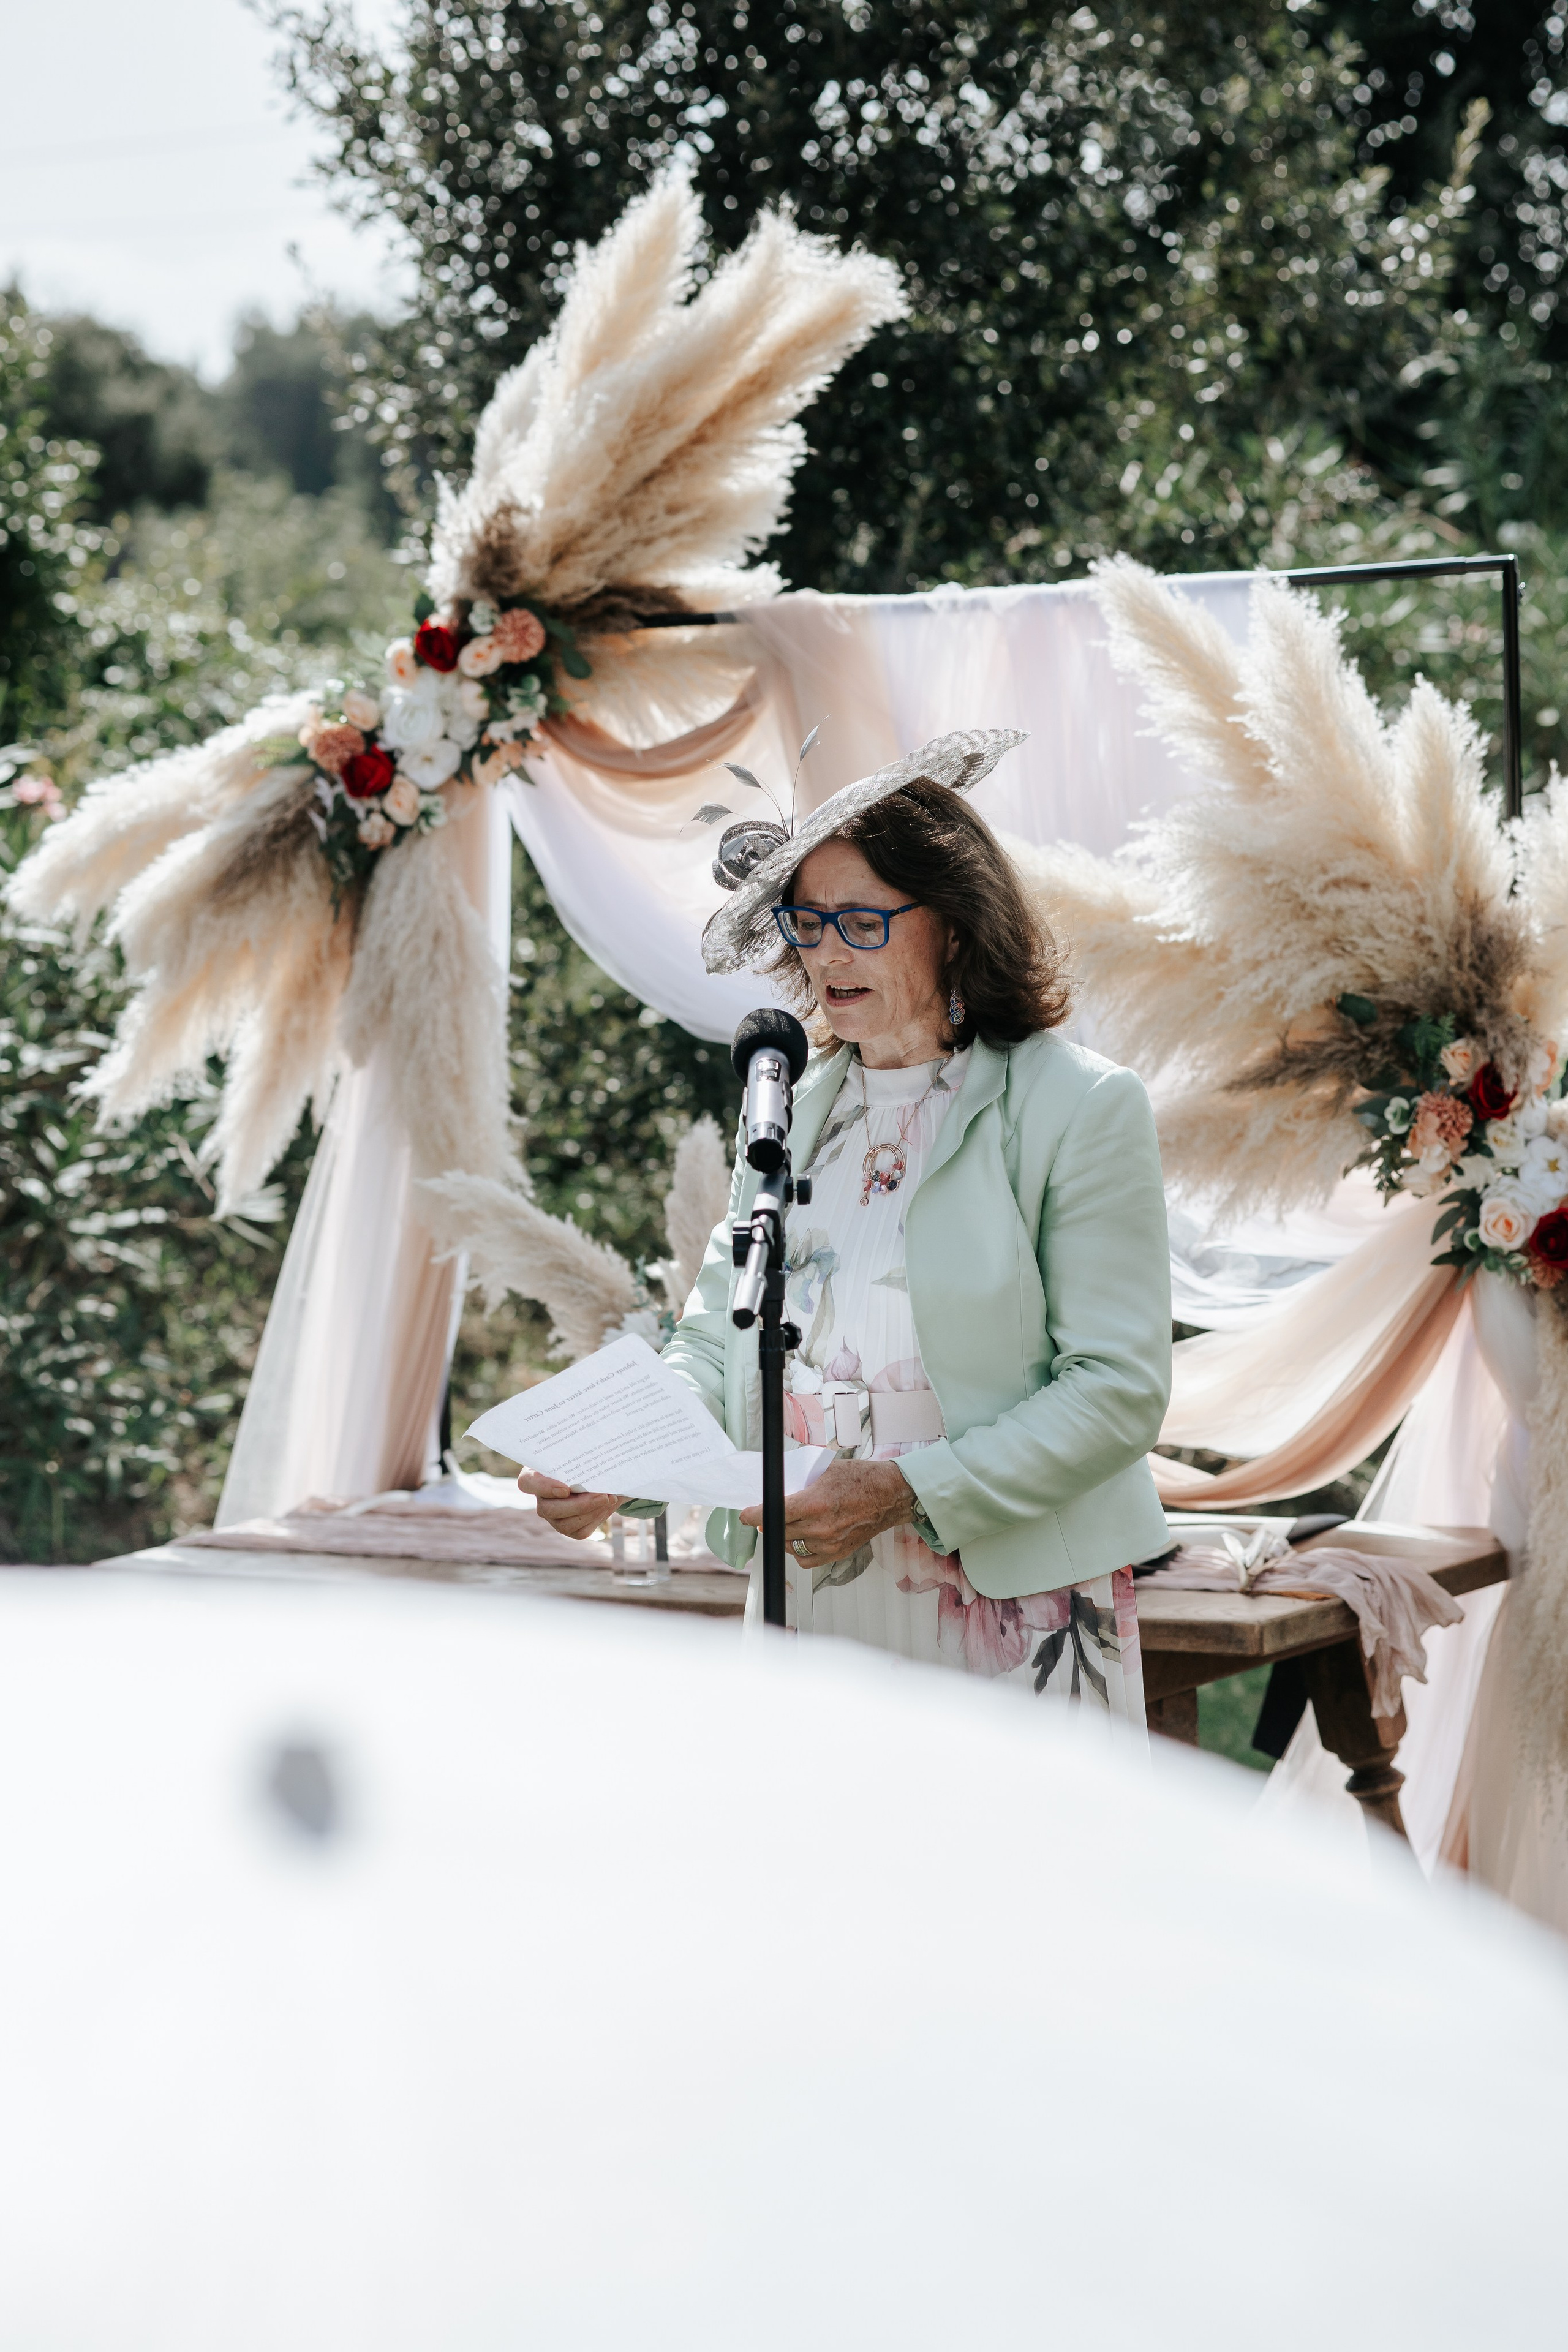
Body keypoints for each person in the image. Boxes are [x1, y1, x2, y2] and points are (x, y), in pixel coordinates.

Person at [519, 730, 1172, 1720]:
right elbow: (713, 1343)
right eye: (806, 921)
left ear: (952, 923)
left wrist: (905, 1490)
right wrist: (621, 1464)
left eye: (862, 921)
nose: (825, 952)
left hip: (1007, 1595)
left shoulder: (1078, 1106)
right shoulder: (786, 1106)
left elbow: (1118, 1391)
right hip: (808, 1594)